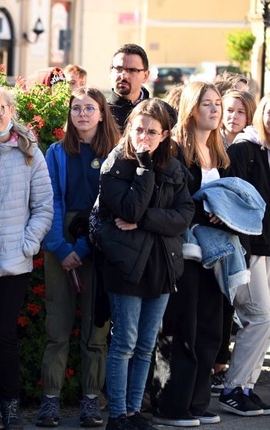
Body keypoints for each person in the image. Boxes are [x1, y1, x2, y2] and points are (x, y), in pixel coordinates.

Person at [92, 99, 194, 430]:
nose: (143, 137)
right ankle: (118, 415)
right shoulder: (116, 165)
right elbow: (128, 210)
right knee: (124, 343)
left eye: (152, 132)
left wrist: (147, 220)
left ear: (165, 134)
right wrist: (145, 168)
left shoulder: (175, 167)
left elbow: (183, 215)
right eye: (138, 129)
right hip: (125, 266)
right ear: (129, 128)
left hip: (160, 265)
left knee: (146, 344)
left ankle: (134, 412)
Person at [0, 79, 54, 430]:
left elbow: (44, 206)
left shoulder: (30, 151)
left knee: (2, 332)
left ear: (10, 110)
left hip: (14, 261)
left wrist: (26, 244)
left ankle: (11, 403)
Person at [36, 87, 118, 428]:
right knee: (57, 326)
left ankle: (89, 402)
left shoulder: (115, 154)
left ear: (101, 113)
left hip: (100, 240)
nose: (82, 114)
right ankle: (50, 401)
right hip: (62, 237)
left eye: (89, 108)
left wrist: (83, 248)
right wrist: (61, 246)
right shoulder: (56, 152)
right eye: (76, 108)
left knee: (96, 331)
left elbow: (109, 204)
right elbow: (50, 199)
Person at [151, 81, 228, 427]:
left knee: (208, 327)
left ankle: (196, 402)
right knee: (180, 326)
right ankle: (170, 405)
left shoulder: (221, 151)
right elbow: (172, 199)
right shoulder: (177, 151)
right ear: (192, 109)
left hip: (215, 250)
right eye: (207, 103)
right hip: (182, 251)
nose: (215, 109)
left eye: (218, 103)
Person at [220, 94, 270, 416]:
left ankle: (246, 387)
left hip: (266, 251)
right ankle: (232, 387)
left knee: (266, 320)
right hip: (248, 249)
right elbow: (230, 199)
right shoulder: (244, 149)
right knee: (260, 316)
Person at [107, 44, 175, 130]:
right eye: (119, 69)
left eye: (132, 70)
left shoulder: (164, 112)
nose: (124, 76)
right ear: (110, 71)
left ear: (145, 76)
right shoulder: (99, 113)